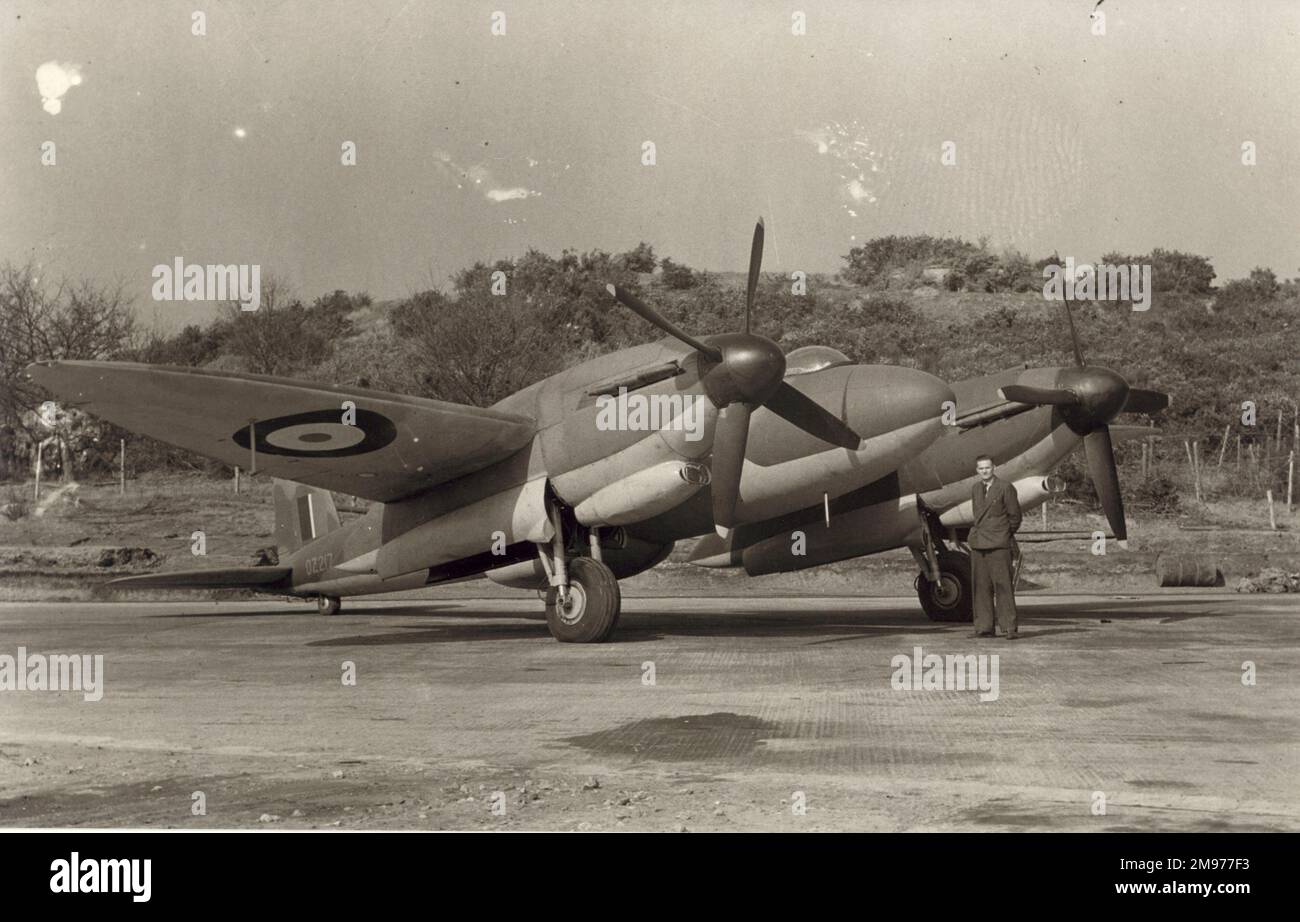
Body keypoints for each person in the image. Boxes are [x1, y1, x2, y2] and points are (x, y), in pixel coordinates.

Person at [968, 455, 1022, 639]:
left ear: (994, 467)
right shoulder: (975, 489)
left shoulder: (1005, 487)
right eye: (981, 468)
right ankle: (984, 627)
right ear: (977, 470)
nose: (984, 471)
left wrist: (1003, 534)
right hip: (978, 543)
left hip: (999, 543)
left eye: (987, 467)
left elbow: (1015, 517)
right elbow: (977, 516)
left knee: (1003, 585)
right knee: (980, 586)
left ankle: (1009, 628)